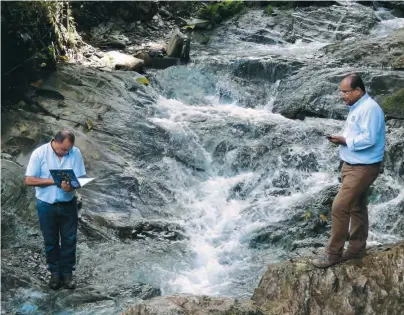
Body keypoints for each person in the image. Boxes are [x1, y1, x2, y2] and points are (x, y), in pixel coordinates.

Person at [312, 73, 385, 268]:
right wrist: (342, 138)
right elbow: (357, 133)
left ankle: (333, 254)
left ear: (358, 90)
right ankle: (356, 249)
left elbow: (369, 139)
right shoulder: (358, 107)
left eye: (345, 92)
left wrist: (345, 140)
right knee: (356, 206)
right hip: (352, 165)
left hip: (363, 168)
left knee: (339, 206)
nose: (342, 95)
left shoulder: (370, 109)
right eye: (341, 92)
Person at [25, 130, 86, 289]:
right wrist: (53, 181)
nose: (67, 152)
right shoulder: (39, 153)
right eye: (64, 149)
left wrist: (71, 187)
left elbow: (81, 179)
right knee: (50, 241)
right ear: (55, 142)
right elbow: (29, 179)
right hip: (46, 204)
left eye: (69, 150)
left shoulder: (75, 153)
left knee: (69, 240)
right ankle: (54, 274)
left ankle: (67, 275)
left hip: (68, 203)